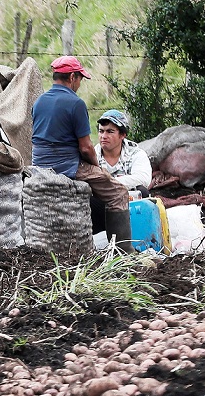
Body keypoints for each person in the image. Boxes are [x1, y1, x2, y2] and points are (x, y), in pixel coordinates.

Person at [31, 56, 133, 250]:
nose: (79, 84)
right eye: (79, 79)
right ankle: (124, 253)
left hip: (39, 164)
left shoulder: (39, 101)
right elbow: (86, 148)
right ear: (71, 77)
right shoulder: (75, 103)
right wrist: (97, 167)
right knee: (119, 193)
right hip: (66, 166)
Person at [91, 108, 153, 237]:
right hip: (102, 206)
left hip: (127, 203)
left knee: (142, 192)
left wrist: (108, 184)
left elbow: (143, 178)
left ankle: (137, 237)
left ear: (122, 134)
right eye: (101, 131)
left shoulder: (136, 153)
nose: (103, 136)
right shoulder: (92, 155)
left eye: (110, 131)